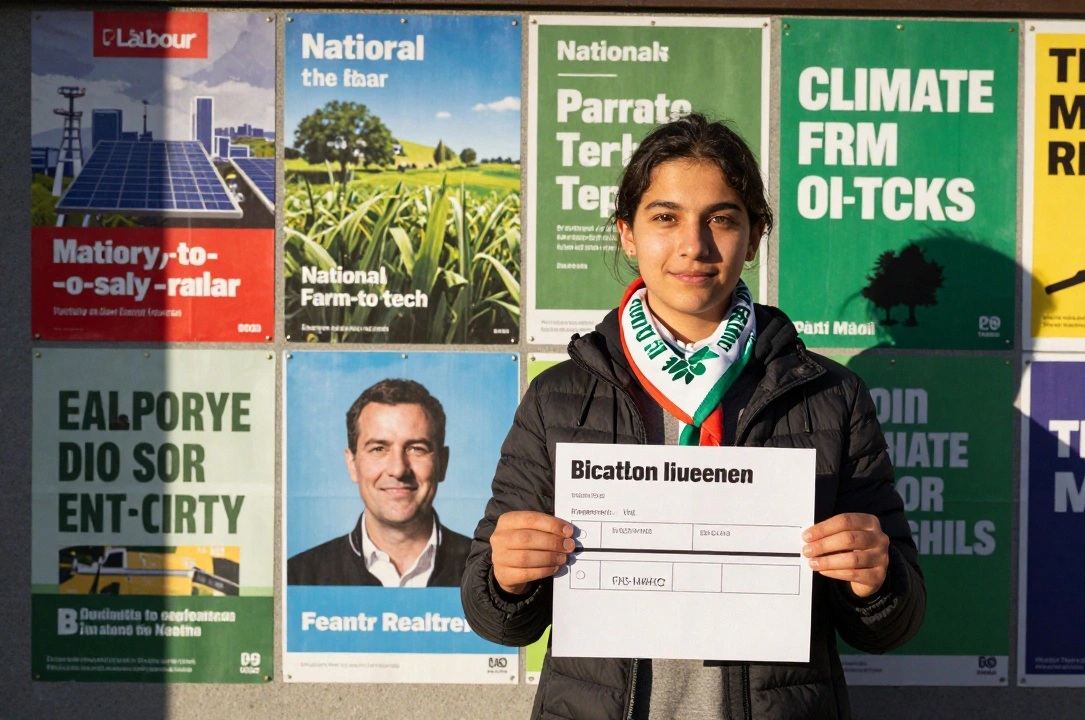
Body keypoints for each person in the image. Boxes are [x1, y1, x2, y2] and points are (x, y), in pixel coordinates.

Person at [461, 114, 925, 720]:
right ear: (627, 233)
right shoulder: (559, 397)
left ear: (754, 237)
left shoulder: (829, 396)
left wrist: (875, 580)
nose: (694, 245)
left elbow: (892, 625)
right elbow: (491, 615)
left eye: (722, 219)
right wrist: (507, 577)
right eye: (666, 217)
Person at [288, 378, 470, 588]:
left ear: (443, 463)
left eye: (416, 448)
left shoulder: (489, 573)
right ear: (352, 464)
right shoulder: (298, 578)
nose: (398, 469)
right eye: (378, 449)